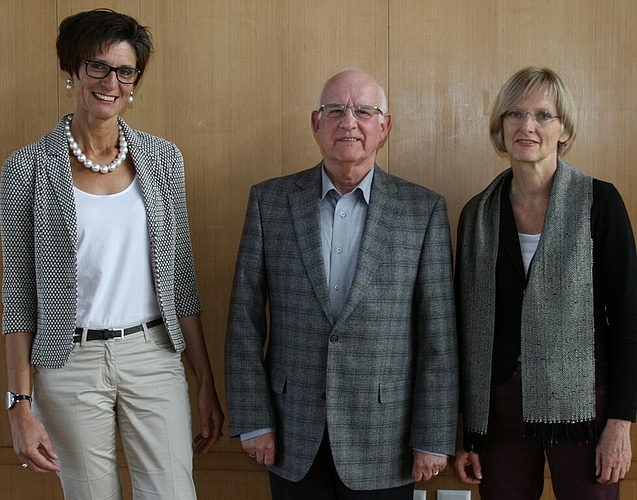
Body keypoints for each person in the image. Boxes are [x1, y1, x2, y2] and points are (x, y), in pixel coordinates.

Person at [1, 9, 224, 499]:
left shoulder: (163, 160)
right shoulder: (26, 168)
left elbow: (181, 279)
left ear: (135, 80)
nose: (111, 82)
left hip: (154, 356)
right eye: (97, 66)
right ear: (72, 71)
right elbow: (17, 298)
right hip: (69, 363)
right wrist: (19, 405)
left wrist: (204, 381)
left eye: (125, 71)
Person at [225, 69, 458, 499]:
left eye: (364, 111)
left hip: (386, 441)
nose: (348, 122)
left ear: (384, 126)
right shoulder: (270, 201)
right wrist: (254, 419)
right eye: (335, 110)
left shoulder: (422, 211)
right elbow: (244, 320)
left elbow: (437, 337)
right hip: (290, 435)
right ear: (316, 123)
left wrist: (433, 436)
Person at [452, 66, 637, 499]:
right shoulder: (476, 214)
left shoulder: (600, 203)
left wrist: (620, 423)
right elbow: (462, 330)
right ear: (501, 128)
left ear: (564, 129)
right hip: (497, 412)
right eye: (515, 114)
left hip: (583, 406)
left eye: (542, 115)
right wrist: (464, 429)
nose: (527, 126)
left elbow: (629, 319)